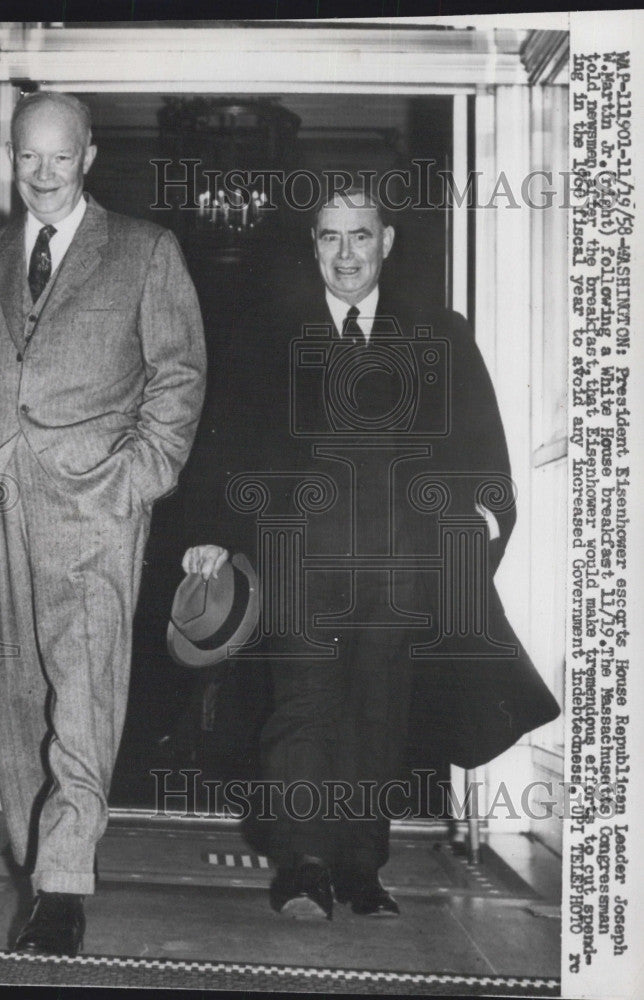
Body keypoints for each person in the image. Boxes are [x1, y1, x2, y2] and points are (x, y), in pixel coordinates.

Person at [183, 186, 559, 921]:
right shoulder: (269, 334)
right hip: (299, 557)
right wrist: (214, 531)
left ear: (387, 241)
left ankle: (360, 865)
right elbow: (227, 442)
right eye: (330, 237)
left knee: (378, 714)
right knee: (302, 709)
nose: (346, 254)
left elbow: (479, 438)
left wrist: (484, 516)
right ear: (313, 243)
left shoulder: (438, 333)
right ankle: (303, 864)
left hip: (400, 562)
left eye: (360, 236)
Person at [0, 91, 206, 954]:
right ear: (15, 158)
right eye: (26, 158)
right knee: (15, 693)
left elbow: (179, 379)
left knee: (84, 690)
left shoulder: (147, 253)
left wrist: (137, 479)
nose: (41, 176)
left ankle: (63, 882)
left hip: (98, 506)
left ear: (86, 158)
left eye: (58, 158)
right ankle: (32, 854)